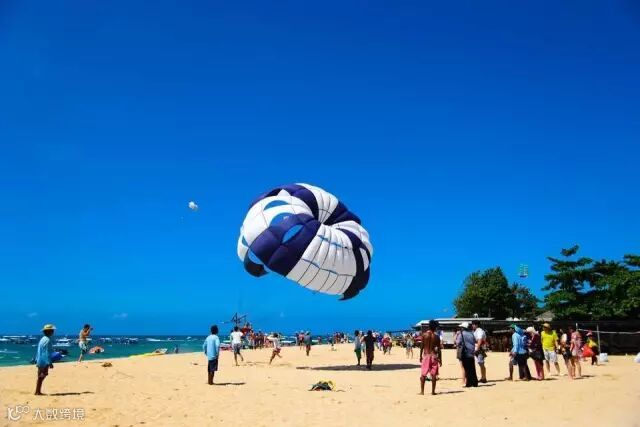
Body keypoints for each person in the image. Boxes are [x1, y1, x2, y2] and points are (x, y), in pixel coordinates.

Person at [419, 320, 442, 395]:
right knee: (434, 375)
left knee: (423, 374)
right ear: (435, 327)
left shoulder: (424, 335)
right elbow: (439, 349)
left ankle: (422, 391)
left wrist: (420, 356)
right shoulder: (437, 337)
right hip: (434, 356)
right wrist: (440, 359)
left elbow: (422, 347)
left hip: (426, 355)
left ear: (429, 326)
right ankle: (433, 392)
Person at [35, 324, 56, 395]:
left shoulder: (43, 339)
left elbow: (39, 351)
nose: (53, 332)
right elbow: (46, 352)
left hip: (40, 360)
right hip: (43, 361)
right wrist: (49, 362)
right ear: (49, 331)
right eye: (52, 330)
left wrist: (36, 359)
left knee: (41, 375)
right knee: (42, 375)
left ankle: (37, 391)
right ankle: (37, 391)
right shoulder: (47, 340)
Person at [456, 322, 478, 387]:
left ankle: (469, 383)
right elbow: (475, 341)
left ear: (463, 328)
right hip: (471, 352)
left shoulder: (461, 334)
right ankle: (475, 382)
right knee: (472, 368)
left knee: (467, 368)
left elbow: (458, 342)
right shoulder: (471, 333)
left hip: (465, 353)